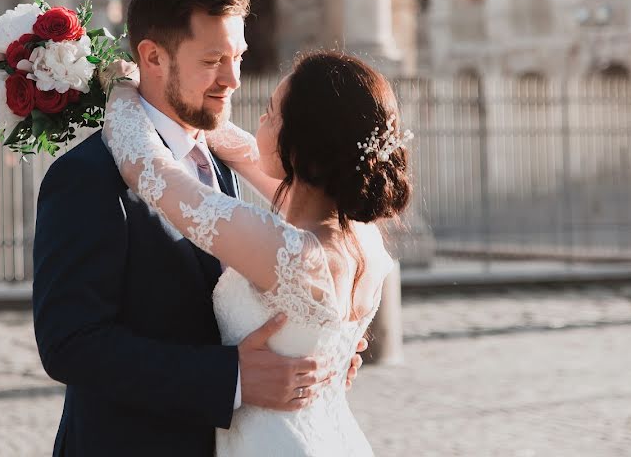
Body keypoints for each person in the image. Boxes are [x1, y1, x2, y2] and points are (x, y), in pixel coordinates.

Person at [32, 0, 367, 457]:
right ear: (153, 58)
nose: (232, 79)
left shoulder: (222, 157)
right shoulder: (85, 178)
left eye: (238, 57)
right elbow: (71, 343)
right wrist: (229, 378)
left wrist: (316, 344)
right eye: (213, 60)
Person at [102, 47, 411, 455]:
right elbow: (246, 152)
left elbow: (147, 169)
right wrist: (187, 103)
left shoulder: (284, 249)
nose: (259, 120)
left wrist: (122, 86)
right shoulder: (361, 235)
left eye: (270, 111)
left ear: (300, 143)